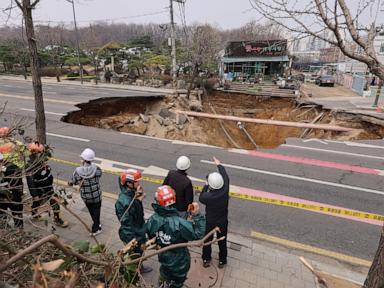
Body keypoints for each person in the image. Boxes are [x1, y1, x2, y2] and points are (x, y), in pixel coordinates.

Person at [146, 185, 205, 288]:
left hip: (164, 258)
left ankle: (162, 283)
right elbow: (198, 233)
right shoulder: (180, 224)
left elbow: (152, 237)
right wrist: (198, 216)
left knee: (164, 274)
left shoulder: (152, 220)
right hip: (180, 262)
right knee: (177, 282)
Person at [115, 169, 152, 273]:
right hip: (134, 235)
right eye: (136, 182)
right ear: (129, 183)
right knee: (136, 254)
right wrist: (132, 241)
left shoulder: (131, 195)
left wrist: (138, 198)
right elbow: (126, 225)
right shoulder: (124, 202)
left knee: (139, 253)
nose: (139, 184)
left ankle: (138, 266)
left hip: (139, 230)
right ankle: (136, 270)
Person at [26, 142, 68, 227]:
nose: (42, 155)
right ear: (34, 153)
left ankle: (57, 219)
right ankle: (35, 214)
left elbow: (47, 174)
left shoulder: (42, 162)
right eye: (39, 153)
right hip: (39, 188)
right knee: (37, 202)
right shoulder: (30, 166)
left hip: (48, 187)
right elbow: (30, 182)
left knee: (54, 201)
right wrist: (34, 195)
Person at [199, 157, 229, 269]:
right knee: (222, 240)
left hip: (210, 221)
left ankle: (206, 259)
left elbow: (201, 196)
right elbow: (225, 176)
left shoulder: (208, 197)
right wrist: (219, 164)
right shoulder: (225, 189)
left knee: (207, 240)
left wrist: (206, 185)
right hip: (223, 221)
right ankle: (222, 260)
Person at [69, 148, 102, 236]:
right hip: (96, 195)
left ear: (83, 159)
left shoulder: (77, 171)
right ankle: (96, 228)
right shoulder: (97, 168)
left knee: (91, 210)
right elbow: (99, 175)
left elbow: (74, 181)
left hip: (85, 196)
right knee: (97, 210)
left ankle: (96, 225)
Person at [0, 152, 24, 228]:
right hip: (2, 199)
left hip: (14, 197)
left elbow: (19, 183)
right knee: (2, 218)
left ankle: (19, 231)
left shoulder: (12, 168)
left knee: (17, 216)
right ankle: (6, 230)